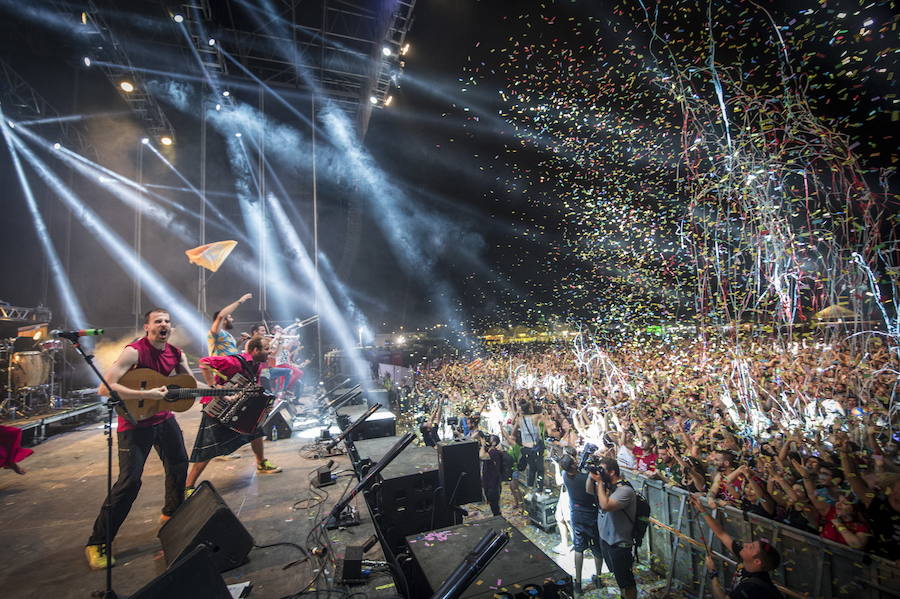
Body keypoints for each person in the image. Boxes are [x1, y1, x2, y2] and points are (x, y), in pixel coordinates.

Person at [84, 308, 195, 570]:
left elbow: (189, 383)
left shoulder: (176, 353)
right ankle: (97, 542)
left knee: (179, 466)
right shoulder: (134, 351)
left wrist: (221, 392)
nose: (164, 325)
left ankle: (170, 516)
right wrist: (148, 395)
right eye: (158, 321)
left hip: (164, 419)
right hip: (134, 424)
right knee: (130, 482)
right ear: (147, 327)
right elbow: (105, 387)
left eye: (167, 321)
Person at [185, 336, 281, 493]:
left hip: (236, 404)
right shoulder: (234, 362)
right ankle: (188, 486)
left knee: (256, 430)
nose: (269, 352)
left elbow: (254, 385)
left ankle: (261, 463)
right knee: (209, 447)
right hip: (217, 406)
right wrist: (214, 388)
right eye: (266, 348)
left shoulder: (256, 364)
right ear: (255, 350)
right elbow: (204, 362)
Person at [689, 494, 784, 599]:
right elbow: (721, 533)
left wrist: (713, 573)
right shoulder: (747, 560)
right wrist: (702, 509)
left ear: (757, 562)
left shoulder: (751, 588)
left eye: (751, 547)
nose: (745, 544)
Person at [586, 458, 637, 599]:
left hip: (619, 543)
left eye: (602, 470)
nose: (600, 472)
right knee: (618, 577)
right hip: (606, 540)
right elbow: (589, 490)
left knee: (627, 582)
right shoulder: (607, 486)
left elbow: (606, 506)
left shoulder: (625, 490)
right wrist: (592, 477)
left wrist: (600, 482)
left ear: (612, 472)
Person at [559, 454, 604, 594]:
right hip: (591, 514)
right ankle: (598, 577)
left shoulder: (565, 475)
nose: (578, 460)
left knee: (579, 548)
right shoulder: (584, 478)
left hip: (576, 514)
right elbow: (594, 491)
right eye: (575, 460)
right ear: (573, 465)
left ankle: (577, 582)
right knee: (596, 547)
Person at [478, 433, 503, 516]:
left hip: (493, 486)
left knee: (495, 508)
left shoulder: (494, 452)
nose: (488, 440)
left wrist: (482, 445)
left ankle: (499, 522)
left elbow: (481, 456)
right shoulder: (489, 451)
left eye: (490, 439)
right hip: (489, 484)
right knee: (493, 506)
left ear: (494, 443)